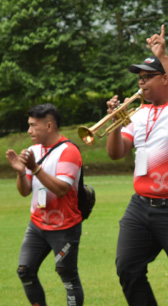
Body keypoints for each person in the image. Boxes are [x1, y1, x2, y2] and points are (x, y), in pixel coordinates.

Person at [106, 25, 168, 306]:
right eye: (139, 78)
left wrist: (163, 56)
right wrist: (116, 121)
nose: (141, 82)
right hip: (141, 205)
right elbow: (116, 153)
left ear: (165, 78)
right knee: (127, 268)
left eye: (147, 77)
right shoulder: (138, 114)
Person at [6, 103, 84, 306]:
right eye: (28, 125)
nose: (29, 130)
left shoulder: (69, 151)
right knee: (25, 271)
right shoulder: (33, 150)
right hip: (37, 225)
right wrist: (21, 172)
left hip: (64, 227)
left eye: (33, 125)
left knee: (67, 277)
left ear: (49, 126)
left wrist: (34, 167)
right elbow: (25, 192)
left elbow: (61, 189)